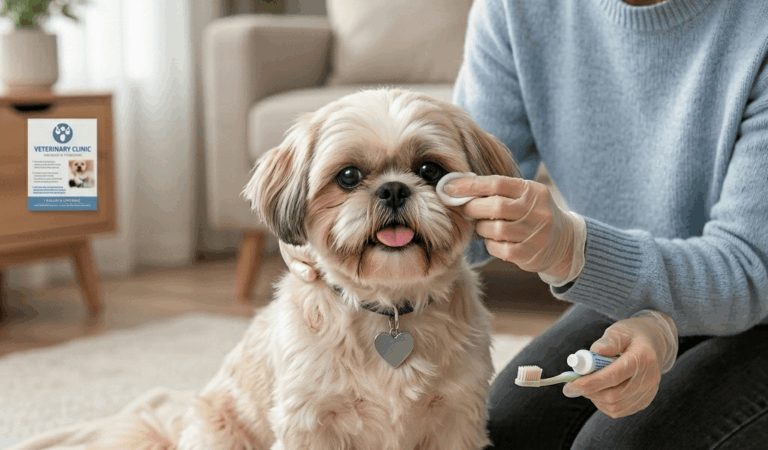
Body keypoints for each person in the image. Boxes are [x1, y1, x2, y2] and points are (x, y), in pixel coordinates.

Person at [280, 0, 768, 447]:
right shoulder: (518, 9)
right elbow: (462, 205)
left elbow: (750, 270)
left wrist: (571, 247)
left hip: (756, 302)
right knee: (511, 434)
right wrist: (326, 226)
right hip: (627, 289)